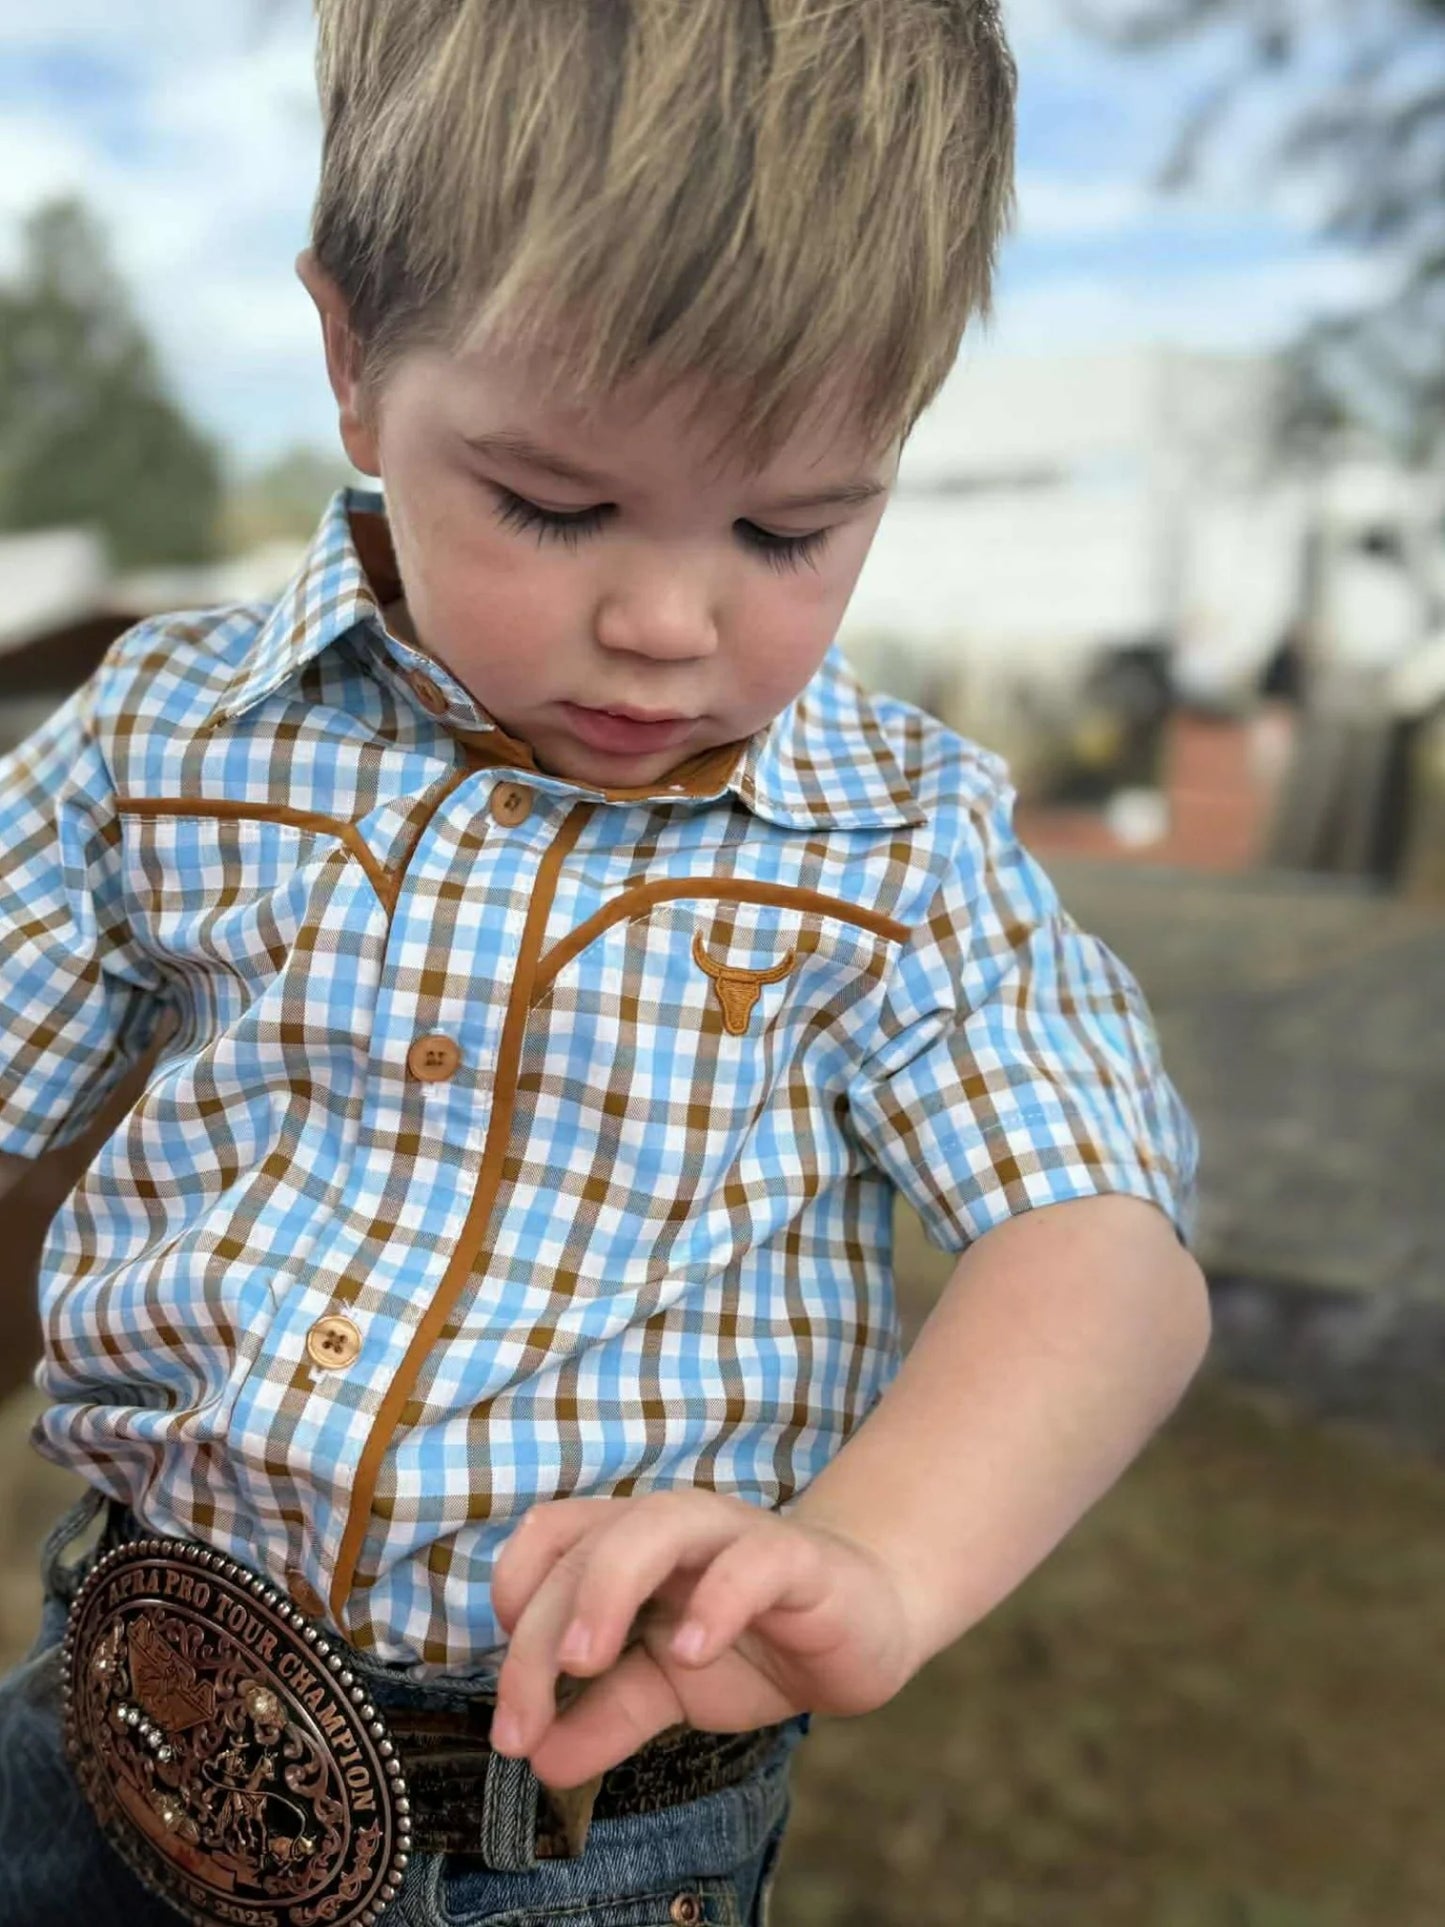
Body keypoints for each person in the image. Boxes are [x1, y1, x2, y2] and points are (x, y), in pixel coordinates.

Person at [0, 3, 1208, 1923]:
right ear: (348, 363)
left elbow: (1101, 1244)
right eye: (550, 504)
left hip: (570, 1836)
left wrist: (881, 1560)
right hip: (108, 1709)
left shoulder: (898, 850)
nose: (662, 620)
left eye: (791, 526)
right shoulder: (177, 739)